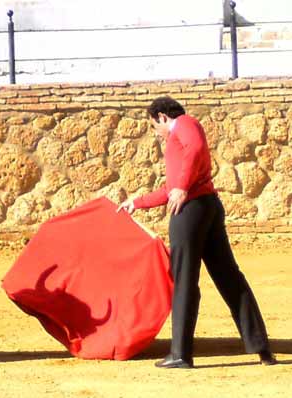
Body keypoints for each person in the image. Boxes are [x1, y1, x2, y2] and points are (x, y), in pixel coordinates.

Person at [117, 96, 276, 369]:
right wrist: (138, 202)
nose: (157, 133)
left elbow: (195, 151)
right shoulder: (181, 137)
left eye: (155, 126)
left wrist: (182, 186)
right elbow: (171, 189)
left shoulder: (185, 124)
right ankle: (261, 348)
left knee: (185, 279)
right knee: (229, 276)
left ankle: (180, 353)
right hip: (207, 207)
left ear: (162, 117)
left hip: (191, 211)